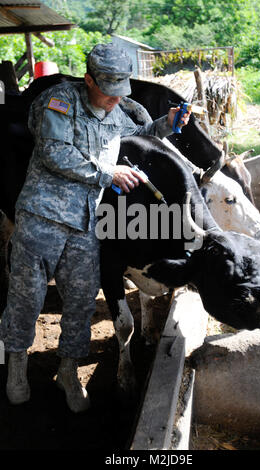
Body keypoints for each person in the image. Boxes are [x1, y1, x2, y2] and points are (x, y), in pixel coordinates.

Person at [0, 43, 190, 413]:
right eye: (108, 91)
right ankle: (17, 368)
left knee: (82, 303)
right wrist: (109, 173)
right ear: (88, 80)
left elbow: (139, 132)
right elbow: (56, 153)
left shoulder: (117, 108)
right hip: (42, 218)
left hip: (86, 225)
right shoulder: (58, 102)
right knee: (26, 297)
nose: (115, 100)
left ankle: (68, 371)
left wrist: (167, 124)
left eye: (122, 92)